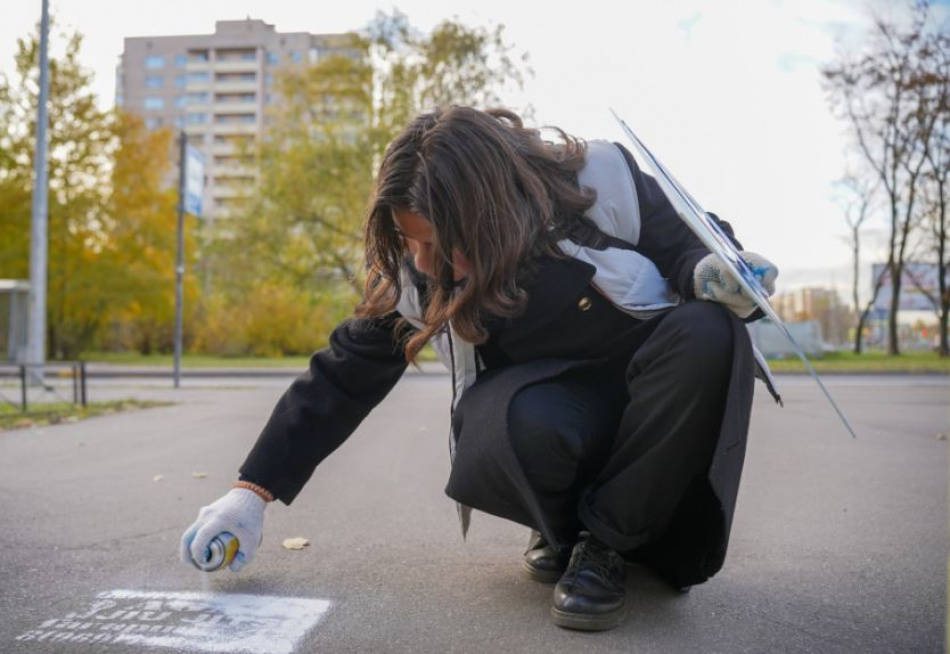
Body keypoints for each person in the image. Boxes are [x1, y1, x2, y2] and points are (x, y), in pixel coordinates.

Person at [180, 106, 780, 632]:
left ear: (494, 212)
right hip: (553, 415)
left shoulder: (603, 180)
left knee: (709, 328)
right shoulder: (418, 276)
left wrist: (714, 273)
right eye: (408, 240)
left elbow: (693, 242)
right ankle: (565, 529)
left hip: (657, 409)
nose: (421, 261)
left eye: (437, 242)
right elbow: (342, 374)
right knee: (520, 424)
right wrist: (250, 493)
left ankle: (604, 545)